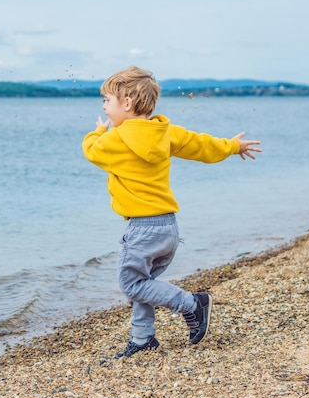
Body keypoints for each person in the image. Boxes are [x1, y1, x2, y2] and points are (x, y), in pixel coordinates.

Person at [82, 66, 261, 358]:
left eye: (107, 101)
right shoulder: (164, 132)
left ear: (126, 104)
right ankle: (142, 340)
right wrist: (232, 146)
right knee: (144, 283)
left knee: (132, 284)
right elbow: (201, 145)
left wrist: (97, 130)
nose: (104, 106)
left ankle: (192, 304)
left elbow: (91, 150)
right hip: (167, 227)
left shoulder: (114, 139)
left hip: (141, 229)